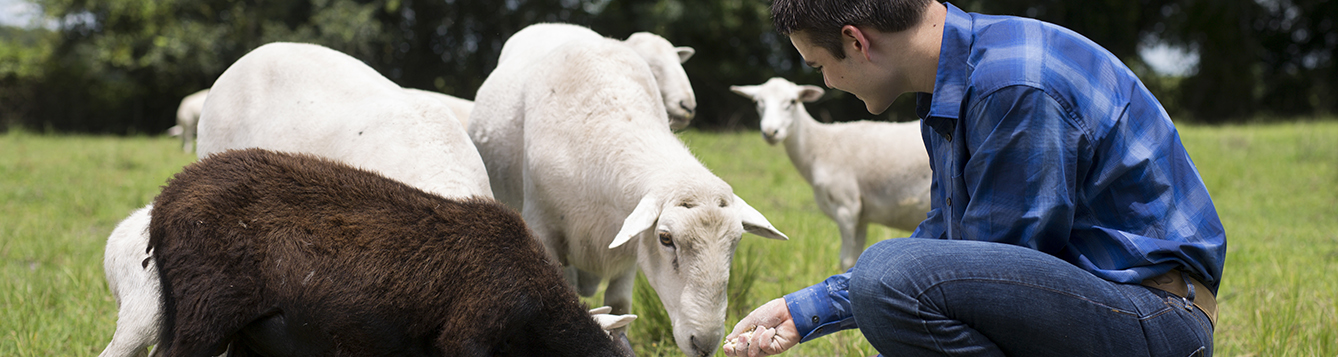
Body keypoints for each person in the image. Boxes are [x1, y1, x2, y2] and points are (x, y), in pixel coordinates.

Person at [722, 0, 1226, 356]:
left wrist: (868, 306)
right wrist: (803, 309)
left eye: (819, 65)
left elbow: (993, 264)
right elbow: (950, 245)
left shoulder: (1011, 85)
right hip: (1099, 306)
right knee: (891, 277)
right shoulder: (957, 80)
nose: (826, 82)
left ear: (855, 42)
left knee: (884, 274)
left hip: (1157, 320)